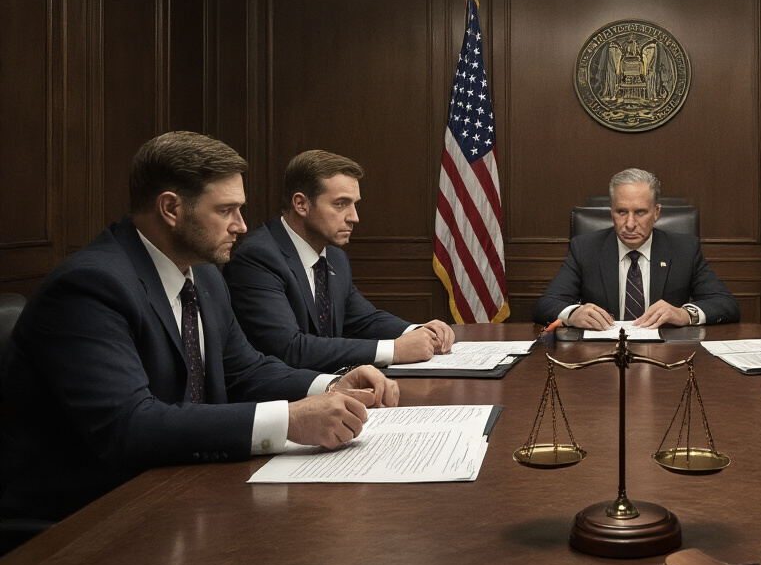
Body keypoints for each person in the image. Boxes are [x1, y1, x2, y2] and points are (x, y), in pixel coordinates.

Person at [0, 132, 398, 523]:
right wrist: (291, 420)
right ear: (171, 208)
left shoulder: (204, 276)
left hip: (181, 491)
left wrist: (330, 385)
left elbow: (246, 370)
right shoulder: (89, 286)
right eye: (226, 211)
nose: (241, 226)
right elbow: (129, 425)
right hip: (85, 521)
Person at [223, 150, 454, 372]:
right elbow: (289, 349)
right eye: (341, 204)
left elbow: (363, 320)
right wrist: (393, 350)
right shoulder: (257, 258)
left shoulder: (334, 255)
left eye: (355, 204)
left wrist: (420, 331)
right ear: (301, 204)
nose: (354, 217)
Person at [533, 168, 739, 329]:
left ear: (656, 213)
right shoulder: (585, 249)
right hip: (602, 357)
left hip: (666, 358)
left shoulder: (684, 250)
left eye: (640, 212)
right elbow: (546, 305)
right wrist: (573, 314)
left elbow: (726, 304)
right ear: (611, 211)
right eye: (622, 212)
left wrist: (684, 315)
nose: (630, 223)